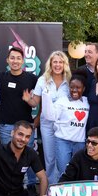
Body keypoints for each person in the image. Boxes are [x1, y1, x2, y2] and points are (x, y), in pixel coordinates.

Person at [22, 51, 71, 184]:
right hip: (47, 124)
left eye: (60, 62)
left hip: (64, 124)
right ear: (50, 64)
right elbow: (35, 102)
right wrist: (28, 100)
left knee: (63, 157)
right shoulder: (42, 80)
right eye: (55, 62)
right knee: (49, 157)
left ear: (65, 64)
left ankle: (63, 184)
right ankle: (51, 187)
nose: (57, 65)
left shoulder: (69, 80)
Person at [0, 47, 39, 196]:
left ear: (23, 61)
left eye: (18, 58)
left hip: (26, 126)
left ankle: (31, 185)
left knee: (29, 156)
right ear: (7, 60)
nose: (15, 61)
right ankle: (14, 189)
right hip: (6, 127)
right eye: (12, 58)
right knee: (10, 159)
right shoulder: (0, 77)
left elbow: (37, 102)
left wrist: (30, 102)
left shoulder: (32, 79)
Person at [41, 69, 89, 180]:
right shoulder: (62, 101)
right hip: (63, 141)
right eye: (72, 87)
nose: (74, 90)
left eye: (78, 87)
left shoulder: (87, 102)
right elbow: (50, 116)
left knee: (79, 170)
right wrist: (46, 97)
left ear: (84, 89)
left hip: (80, 143)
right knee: (64, 171)